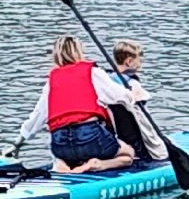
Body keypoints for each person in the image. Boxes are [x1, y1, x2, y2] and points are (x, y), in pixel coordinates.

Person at [14, 36, 139, 173]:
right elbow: (120, 96)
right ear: (79, 51)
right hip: (90, 138)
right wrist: (132, 95)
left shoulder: (52, 81)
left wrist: (17, 144)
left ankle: (61, 164)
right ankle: (98, 164)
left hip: (60, 143)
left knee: (64, 151)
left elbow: (37, 117)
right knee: (128, 154)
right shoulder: (92, 72)